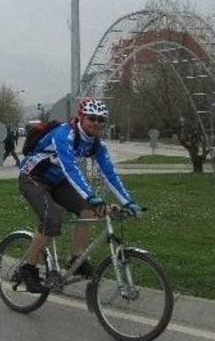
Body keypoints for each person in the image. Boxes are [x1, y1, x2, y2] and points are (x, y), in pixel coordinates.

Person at [16, 98, 143, 292]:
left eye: (102, 120)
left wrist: (129, 201)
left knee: (89, 210)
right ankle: (28, 268)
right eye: (92, 118)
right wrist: (91, 194)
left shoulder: (95, 144)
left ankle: (76, 257)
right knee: (52, 220)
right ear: (81, 117)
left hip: (58, 180)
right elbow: (70, 169)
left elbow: (110, 173)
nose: (97, 123)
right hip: (34, 177)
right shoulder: (63, 134)